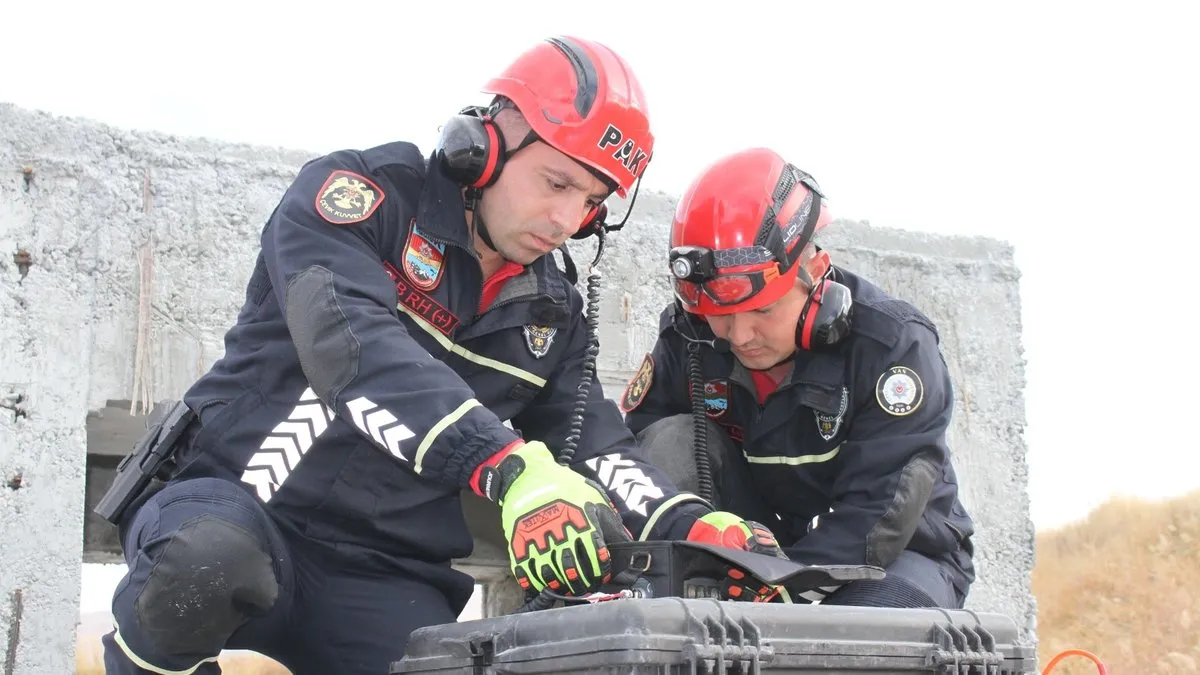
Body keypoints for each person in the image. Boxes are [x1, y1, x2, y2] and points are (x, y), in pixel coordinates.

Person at [98, 37, 777, 675]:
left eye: (592, 202)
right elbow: (354, 354)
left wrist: (693, 522)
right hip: (240, 507)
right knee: (205, 563)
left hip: (381, 570)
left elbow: (596, 446)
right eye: (556, 182)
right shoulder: (358, 201)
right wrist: (508, 469)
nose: (567, 220)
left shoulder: (554, 311)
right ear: (485, 145)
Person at [620, 147, 977, 608]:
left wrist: (785, 587)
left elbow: (880, 513)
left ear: (816, 274)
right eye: (720, 316)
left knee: (853, 634)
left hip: (896, 556)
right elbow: (634, 462)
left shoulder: (893, 346)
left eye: (763, 310)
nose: (741, 336)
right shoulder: (687, 338)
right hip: (752, 551)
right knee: (669, 439)